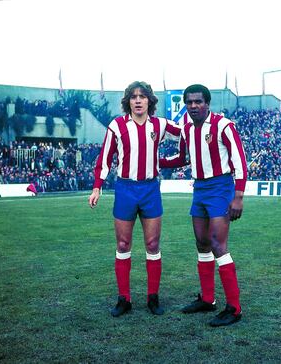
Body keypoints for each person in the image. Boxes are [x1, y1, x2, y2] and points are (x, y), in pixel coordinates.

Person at [88, 81, 180, 317]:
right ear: (128, 101)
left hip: (150, 190)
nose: (138, 100)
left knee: (152, 245)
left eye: (142, 96)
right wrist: (97, 187)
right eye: (133, 97)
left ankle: (153, 298)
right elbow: (105, 158)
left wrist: (176, 159)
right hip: (125, 190)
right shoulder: (117, 126)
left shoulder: (160, 125)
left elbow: (187, 133)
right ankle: (124, 299)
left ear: (150, 100)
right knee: (122, 245)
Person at [160, 84, 247, 327]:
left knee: (219, 245)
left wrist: (238, 196)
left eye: (198, 102)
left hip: (221, 188)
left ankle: (235, 308)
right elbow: (180, 158)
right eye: (189, 102)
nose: (193, 106)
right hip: (199, 188)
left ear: (207, 103)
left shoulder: (223, 125)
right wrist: (154, 161)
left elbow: (239, 160)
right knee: (202, 243)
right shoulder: (186, 130)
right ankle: (208, 299)